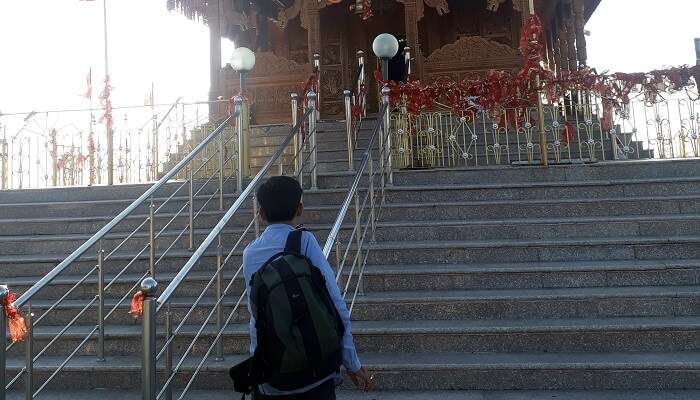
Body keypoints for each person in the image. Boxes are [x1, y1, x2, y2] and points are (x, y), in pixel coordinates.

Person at [242, 176, 374, 399]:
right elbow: (334, 302)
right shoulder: (304, 241)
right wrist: (351, 362)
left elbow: (256, 315)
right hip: (314, 373)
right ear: (300, 208)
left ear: (261, 213)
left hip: (271, 374)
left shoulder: (250, 253)